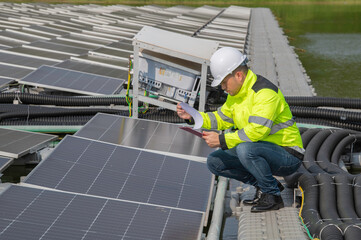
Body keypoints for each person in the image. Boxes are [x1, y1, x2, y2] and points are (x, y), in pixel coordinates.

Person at [177, 47, 304, 212]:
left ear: (238, 75)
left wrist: (222, 140)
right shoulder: (235, 95)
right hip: (261, 150)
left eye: (224, 82)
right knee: (215, 162)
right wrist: (193, 116)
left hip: (287, 155)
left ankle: (272, 196)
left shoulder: (264, 93)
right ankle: (266, 185)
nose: (222, 87)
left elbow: (257, 131)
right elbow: (221, 118)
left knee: (245, 149)